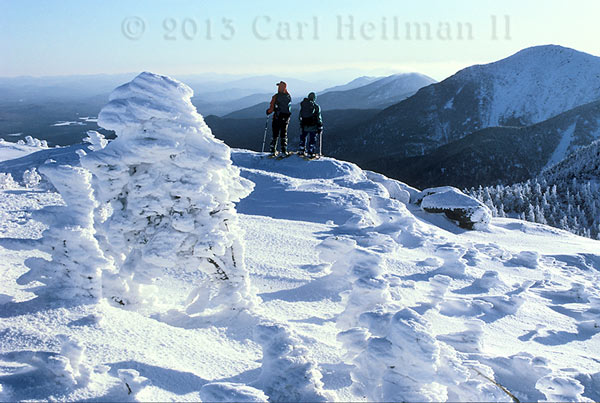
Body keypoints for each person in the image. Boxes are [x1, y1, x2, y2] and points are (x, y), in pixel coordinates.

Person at [266, 81, 292, 156]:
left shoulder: (276, 96)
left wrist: (268, 112)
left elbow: (271, 108)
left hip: (277, 118)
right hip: (286, 119)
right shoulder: (288, 96)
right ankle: (284, 150)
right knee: (284, 134)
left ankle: (272, 150)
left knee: (275, 134)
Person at [298, 92, 322, 157]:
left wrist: (301, 123)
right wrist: (320, 125)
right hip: (313, 126)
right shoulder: (316, 106)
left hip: (304, 125)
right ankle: (310, 152)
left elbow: (300, 115)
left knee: (303, 137)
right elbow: (318, 117)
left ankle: (301, 150)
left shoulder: (303, 105)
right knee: (312, 138)